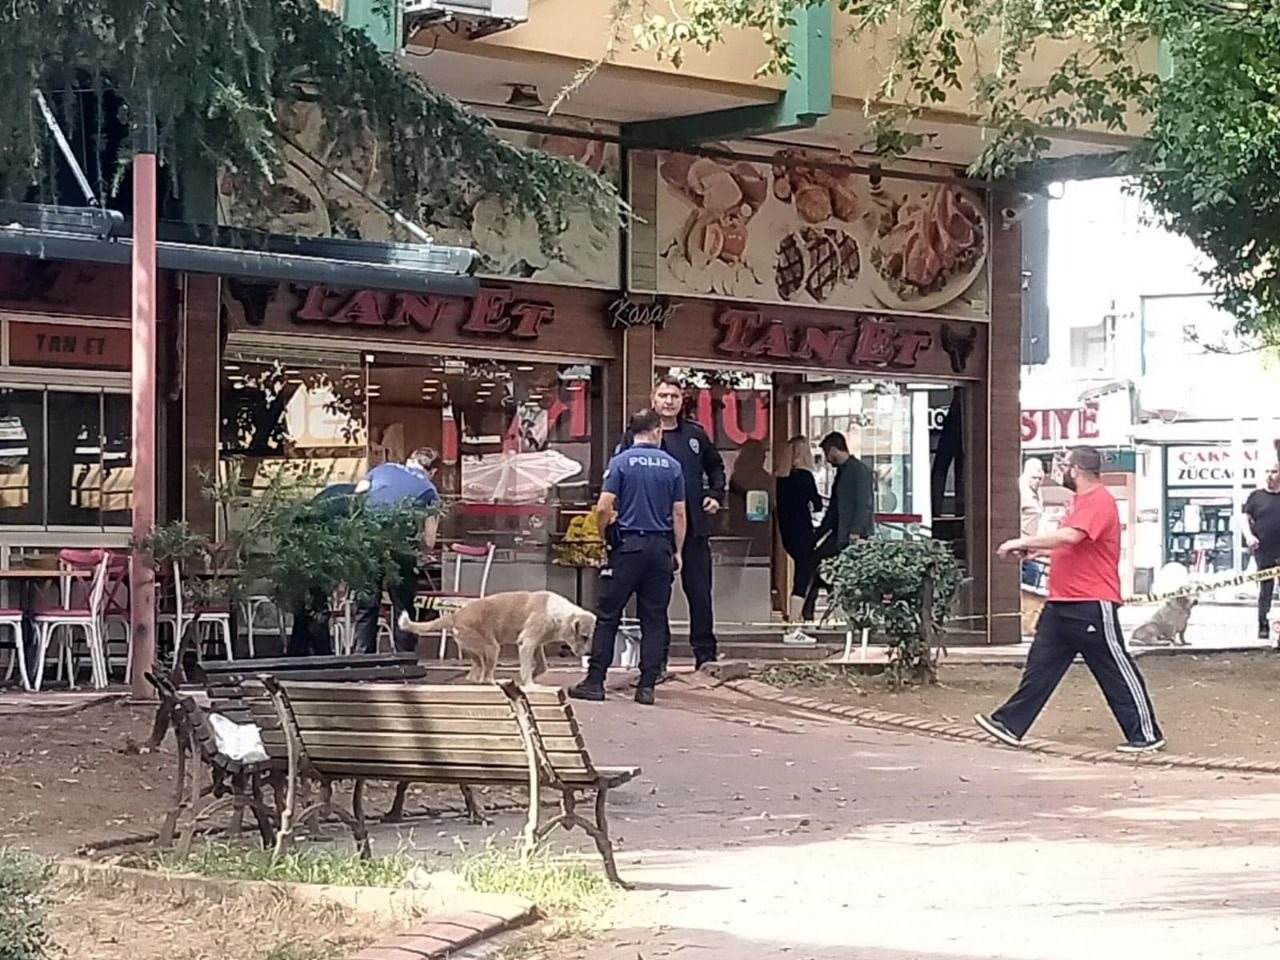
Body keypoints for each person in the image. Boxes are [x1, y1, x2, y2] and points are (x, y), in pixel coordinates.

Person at [976, 445, 1165, 753]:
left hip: (1090, 603)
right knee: (1040, 667)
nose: (1059, 470)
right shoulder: (1078, 502)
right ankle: (1010, 723)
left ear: (1076, 470)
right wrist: (1038, 550)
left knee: (1113, 668)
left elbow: (1070, 537)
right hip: (1061, 602)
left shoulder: (1098, 501)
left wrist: (1022, 540)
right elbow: (1070, 544)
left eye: (1063, 465)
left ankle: (1145, 734)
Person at [570, 409, 687, 706]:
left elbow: (602, 508)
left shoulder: (620, 462)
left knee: (608, 616)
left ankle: (595, 681)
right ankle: (647, 686)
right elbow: (679, 513)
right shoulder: (672, 466)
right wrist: (677, 551)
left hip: (626, 549)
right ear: (657, 431)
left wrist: (603, 535)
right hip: (659, 550)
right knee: (654, 619)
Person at [615, 376, 725, 669]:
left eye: (674, 396)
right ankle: (656, 660)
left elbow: (716, 466)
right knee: (654, 600)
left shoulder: (695, 435)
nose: (668, 401)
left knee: (699, 593)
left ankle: (705, 656)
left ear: (681, 400)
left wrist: (715, 494)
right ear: (653, 398)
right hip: (655, 530)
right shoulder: (636, 435)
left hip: (694, 529)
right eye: (663, 395)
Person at [351, 446, 442, 654]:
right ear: (433, 471)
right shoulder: (429, 489)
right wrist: (421, 551)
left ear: (410, 459)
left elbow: (355, 497)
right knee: (403, 604)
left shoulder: (380, 470)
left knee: (366, 604)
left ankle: (362, 661)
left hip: (367, 541)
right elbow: (429, 539)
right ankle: (404, 660)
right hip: (400, 547)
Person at [801, 432, 875, 621]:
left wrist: (856, 531)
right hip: (841, 534)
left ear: (833, 449)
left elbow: (864, 503)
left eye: (827, 453)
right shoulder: (843, 473)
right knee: (817, 562)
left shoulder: (858, 471)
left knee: (823, 565)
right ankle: (821, 604)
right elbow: (834, 510)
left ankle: (831, 605)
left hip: (852, 536)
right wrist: (818, 535)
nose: (826, 459)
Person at [285, 482, 357, 657]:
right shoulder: (355, 502)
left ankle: (298, 652)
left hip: (300, 546)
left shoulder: (341, 494)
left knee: (306, 607)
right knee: (315, 606)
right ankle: (321, 654)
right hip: (313, 548)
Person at [775, 435, 823, 641]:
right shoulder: (804, 476)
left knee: (803, 572)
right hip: (803, 531)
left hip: (787, 533)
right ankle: (794, 626)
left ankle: (795, 622)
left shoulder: (781, 479)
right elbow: (818, 503)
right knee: (804, 575)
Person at [1243, 462, 1280, 639]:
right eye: (1267, 470)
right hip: (1264, 550)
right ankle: (1263, 625)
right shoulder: (1256, 497)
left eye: (1273, 471)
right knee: (1265, 589)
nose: (1269, 475)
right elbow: (1244, 518)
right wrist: (1249, 536)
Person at [1019, 457, 1046, 588]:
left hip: (1032, 543)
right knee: (1032, 571)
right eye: (1033, 478)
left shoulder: (1038, 495)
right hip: (1021, 542)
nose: (1036, 482)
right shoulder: (1021, 492)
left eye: (1039, 479)